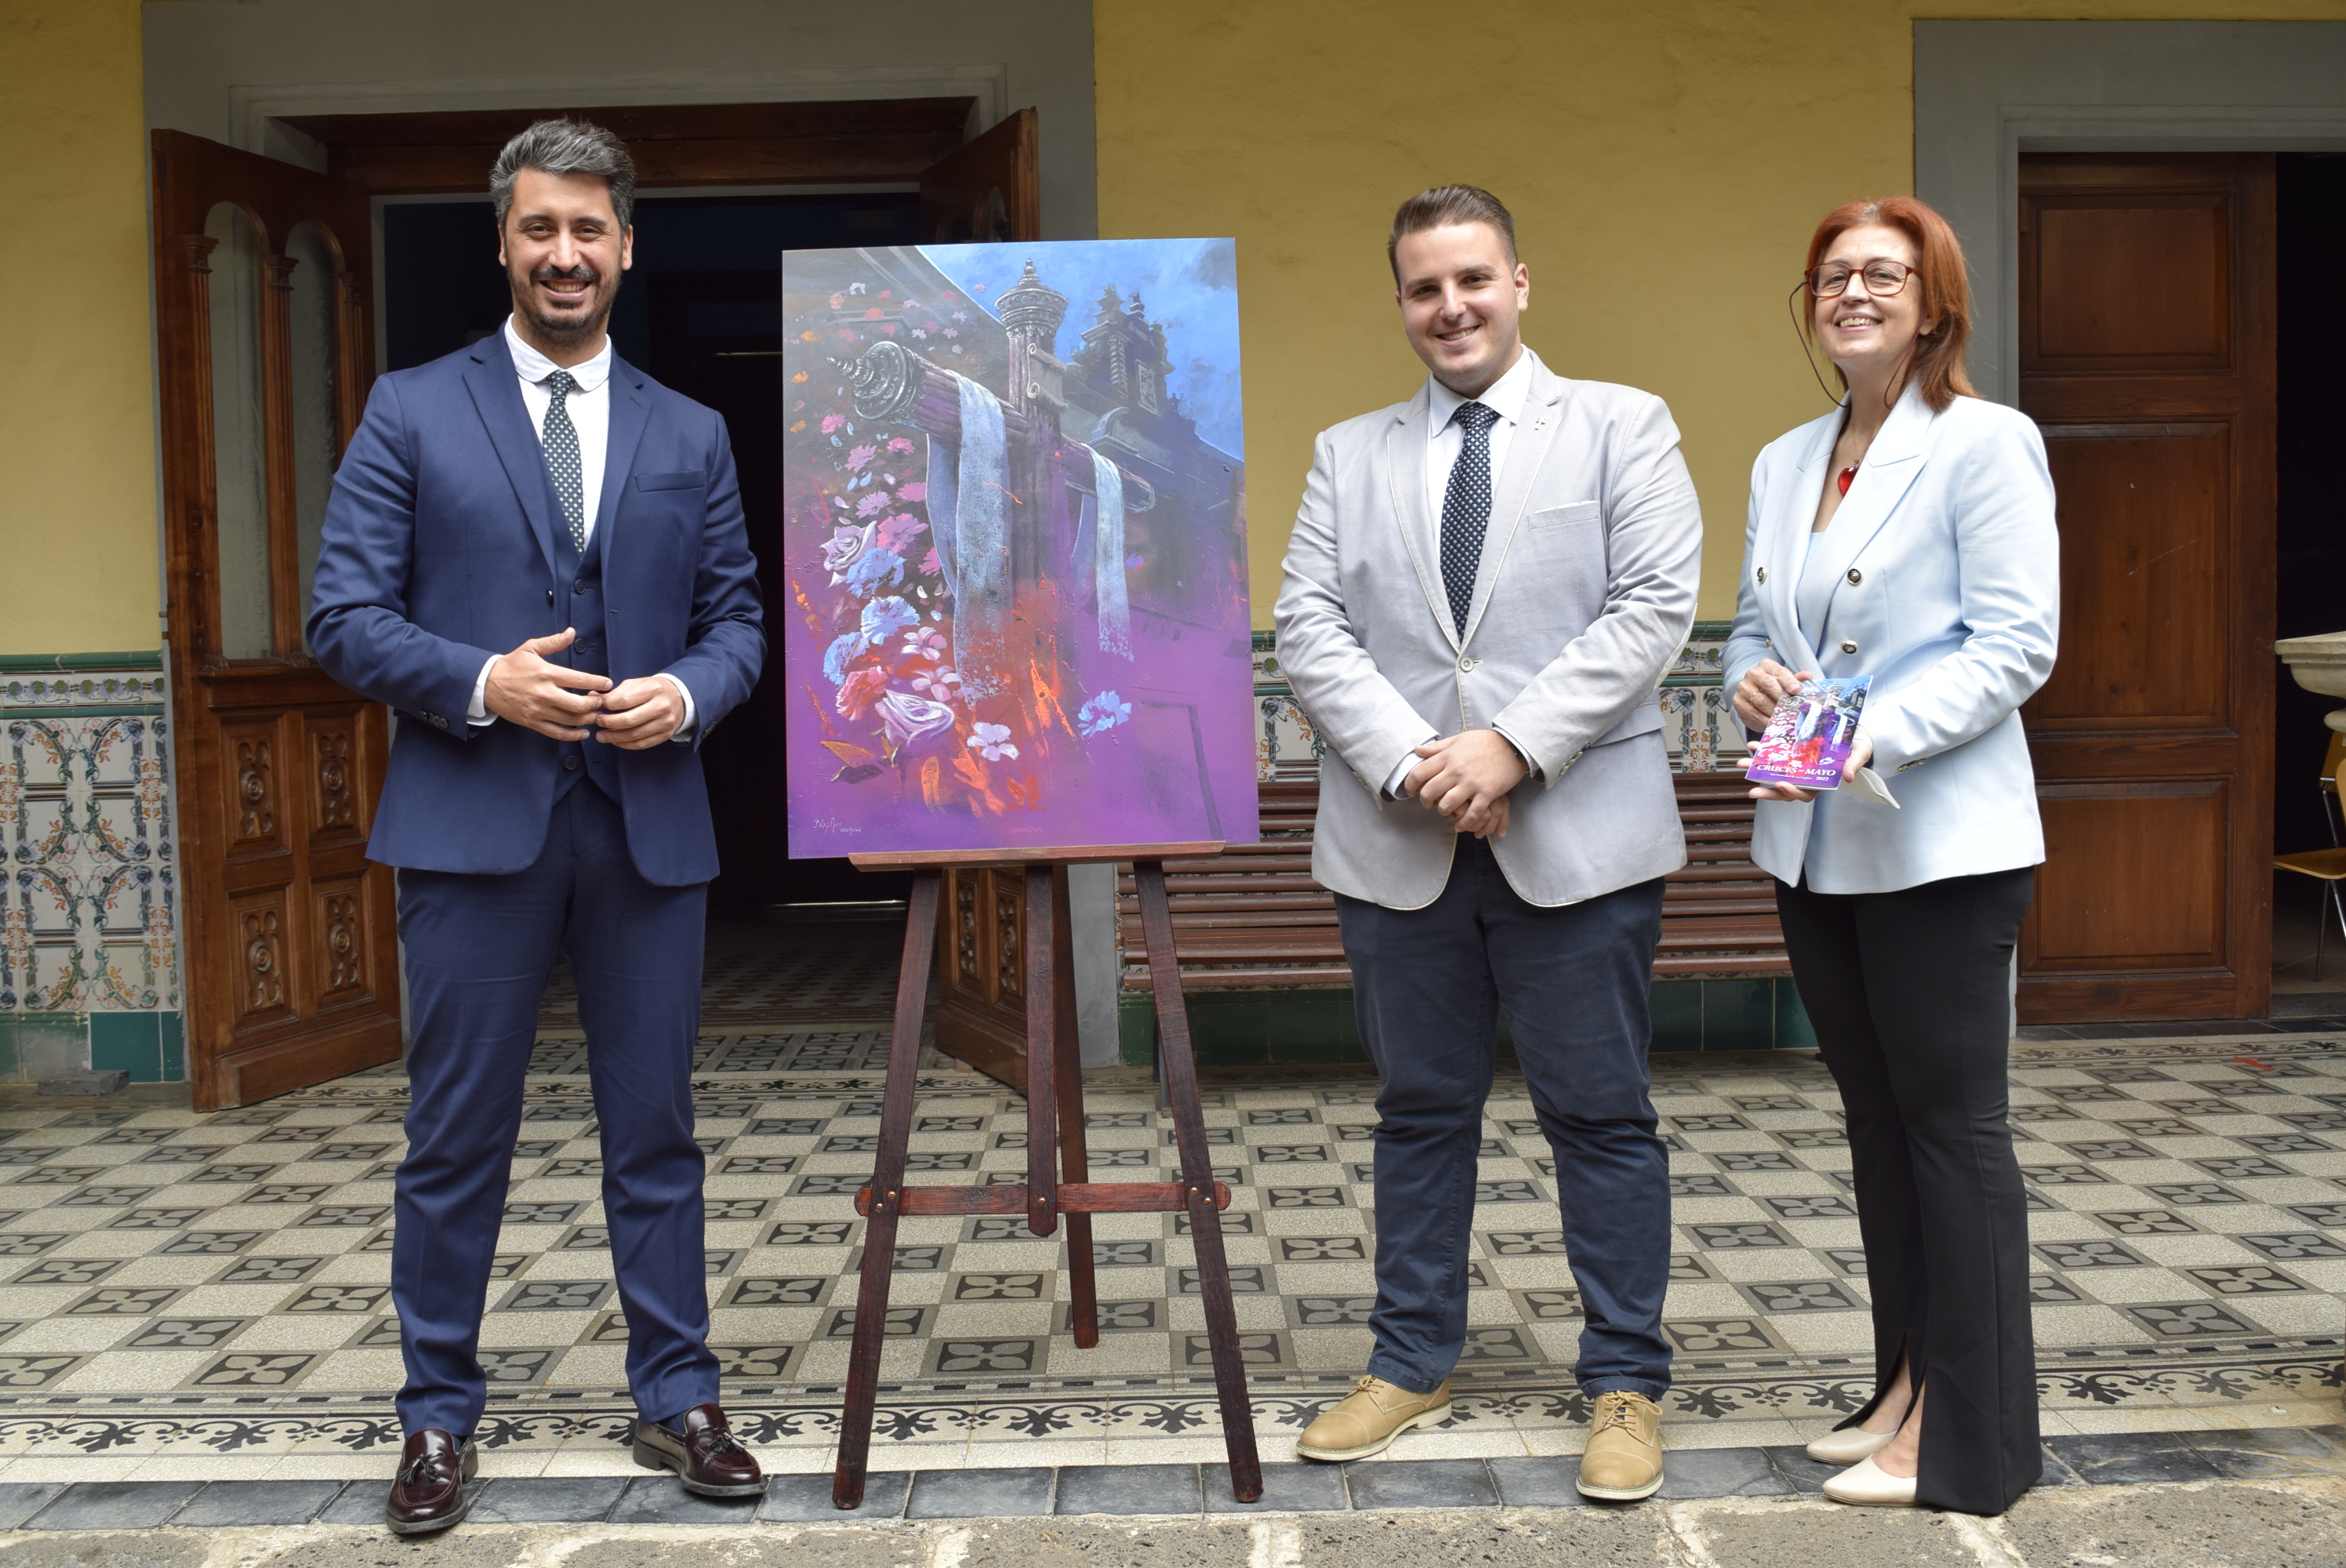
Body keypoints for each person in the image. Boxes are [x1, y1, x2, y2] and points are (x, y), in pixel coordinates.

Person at [308, 119, 766, 1533]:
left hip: (645, 831)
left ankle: (678, 1393)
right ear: (502, 243)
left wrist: (688, 697)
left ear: (627, 247)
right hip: (469, 827)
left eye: (589, 230)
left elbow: (740, 618)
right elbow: (342, 615)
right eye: (538, 229)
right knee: (455, 1140)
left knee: (659, 1133)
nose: (564, 254)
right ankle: (436, 1420)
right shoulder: (410, 408)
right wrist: (479, 681)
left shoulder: (693, 431)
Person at [1274, 185, 1701, 1501]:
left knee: (1603, 1118)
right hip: (1401, 845)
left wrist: (1509, 747)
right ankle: (1411, 1360)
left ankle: (1625, 1382)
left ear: (1521, 281)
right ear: (1399, 301)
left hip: (1579, 840)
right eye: (1422, 287)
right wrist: (1423, 764)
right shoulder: (1350, 453)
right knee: (1417, 1115)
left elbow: (1652, 608)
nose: (1448, 307)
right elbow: (1307, 629)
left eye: (1472, 279)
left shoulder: (1624, 425)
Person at [1722, 195, 2058, 1514]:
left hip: (1939, 840)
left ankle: (1966, 1447)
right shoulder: (1786, 457)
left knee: (1954, 1133)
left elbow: (2018, 645)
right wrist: (1754, 680)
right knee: (1878, 1126)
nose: (1853, 292)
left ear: (1934, 303)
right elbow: (1760, 622)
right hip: (1812, 842)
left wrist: (1866, 732)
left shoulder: (1988, 445)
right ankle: (1902, 1386)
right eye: (1832, 275)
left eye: (1883, 273)